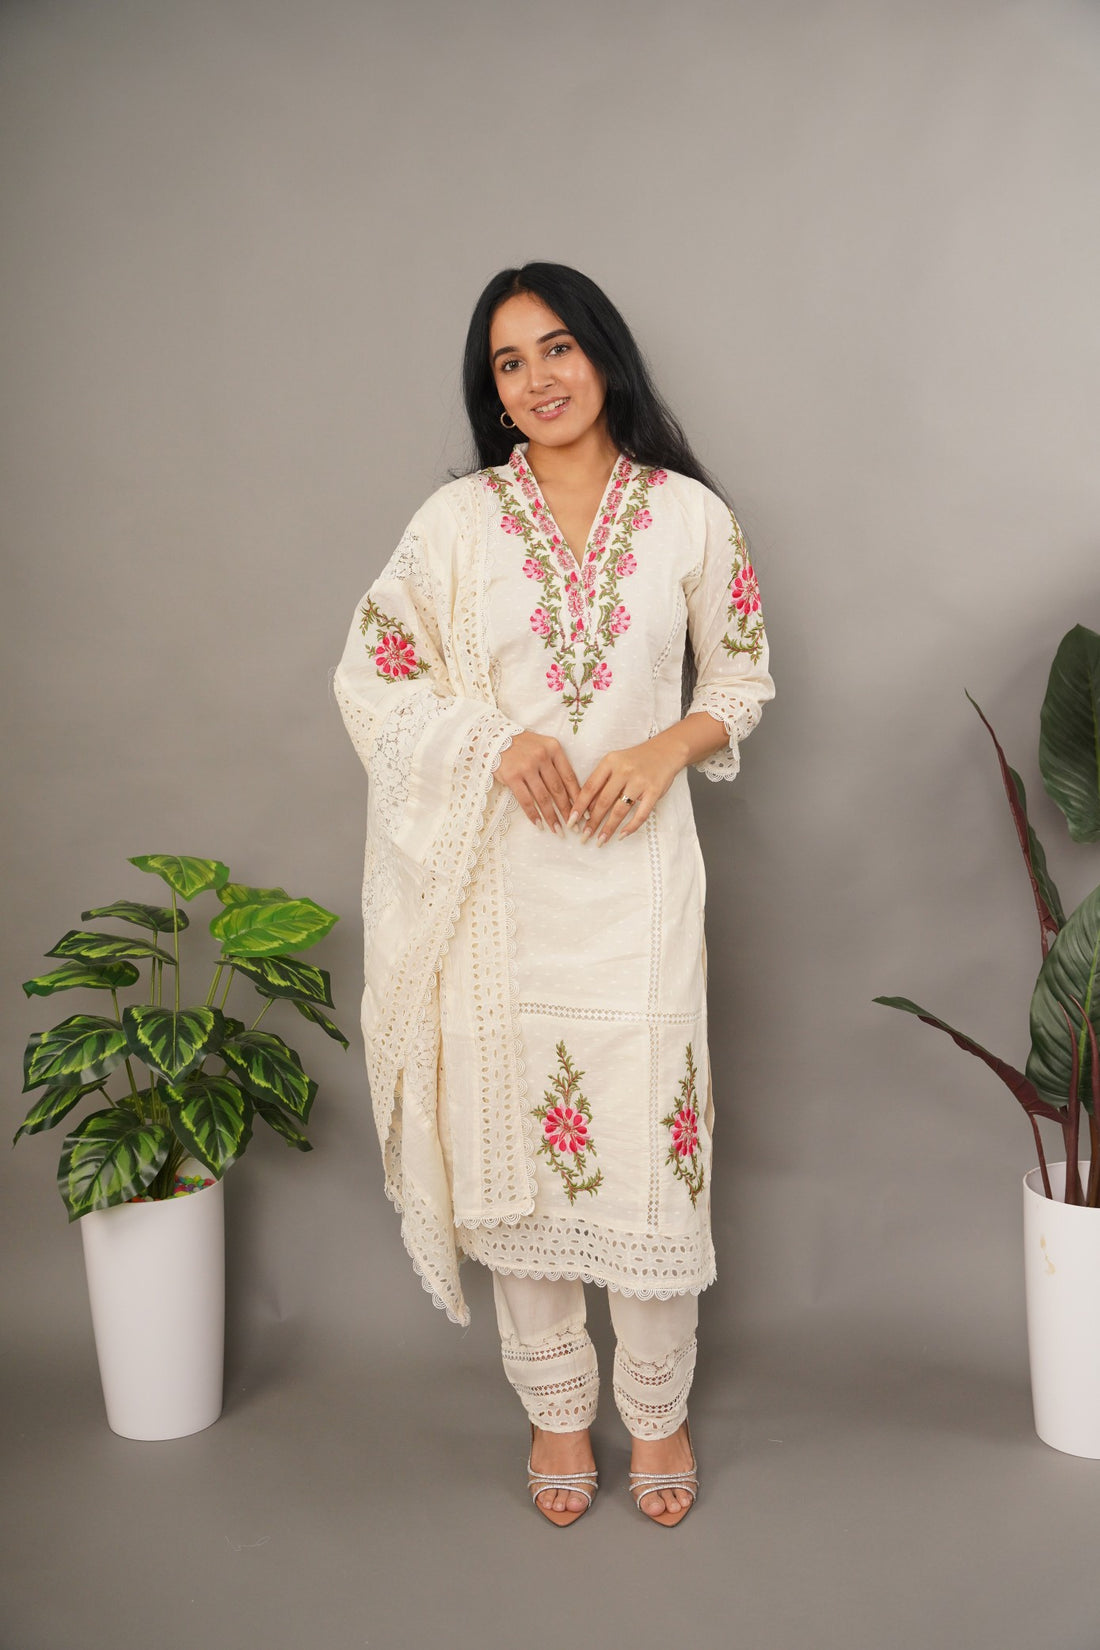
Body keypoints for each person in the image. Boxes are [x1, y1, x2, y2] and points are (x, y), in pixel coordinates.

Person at [332, 262, 774, 1529]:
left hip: (639, 890)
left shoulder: (689, 517)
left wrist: (661, 748)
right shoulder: (455, 523)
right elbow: (375, 674)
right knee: (515, 1151)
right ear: (493, 391)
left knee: (648, 1147)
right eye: (508, 363)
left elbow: (740, 678)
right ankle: (555, 1412)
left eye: (557, 348)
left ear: (603, 354)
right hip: (500, 898)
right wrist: (490, 740)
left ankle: (658, 1410)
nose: (536, 379)